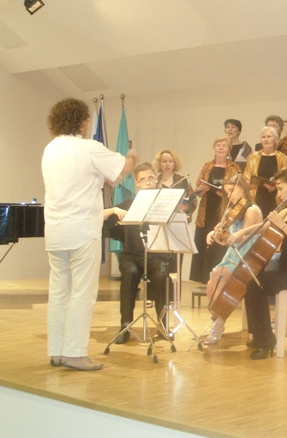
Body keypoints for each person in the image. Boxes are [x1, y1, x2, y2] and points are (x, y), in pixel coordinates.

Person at [42, 97, 138, 371]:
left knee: (59, 292)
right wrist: (133, 156)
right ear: (82, 121)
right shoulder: (87, 148)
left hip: (56, 231)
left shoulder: (50, 149)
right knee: (82, 293)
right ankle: (74, 353)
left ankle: (57, 351)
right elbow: (123, 168)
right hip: (82, 230)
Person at [241, 167, 287, 359]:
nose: (279, 193)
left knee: (257, 286)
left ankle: (267, 341)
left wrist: (282, 225)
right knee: (251, 283)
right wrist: (239, 234)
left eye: (281, 188)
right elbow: (263, 226)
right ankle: (259, 337)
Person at [103, 163, 172, 344]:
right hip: (131, 255)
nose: (148, 182)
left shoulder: (164, 205)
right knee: (130, 273)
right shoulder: (127, 205)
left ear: (156, 179)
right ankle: (125, 326)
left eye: (151, 178)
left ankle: (163, 324)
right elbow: (106, 226)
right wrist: (115, 215)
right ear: (137, 183)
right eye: (143, 179)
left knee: (161, 273)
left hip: (156, 254)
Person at [200, 175, 263, 345]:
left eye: (231, 190)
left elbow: (242, 239)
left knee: (218, 275)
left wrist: (227, 235)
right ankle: (218, 320)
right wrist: (214, 234)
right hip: (233, 254)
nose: (229, 195)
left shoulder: (252, 210)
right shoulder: (232, 211)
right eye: (227, 192)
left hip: (247, 256)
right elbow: (225, 241)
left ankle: (218, 324)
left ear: (242, 188)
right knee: (211, 282)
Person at [189, 137, 241, 284]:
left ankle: (219, 278)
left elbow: (238, 189)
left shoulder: (234, 167)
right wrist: (201, 189)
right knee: (205, 243)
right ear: (214, 148)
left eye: (224, 145)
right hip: (207, 209)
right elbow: (198, 189)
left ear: (229, 149)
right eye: (218, 145)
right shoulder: (207, 166)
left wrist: (224, 193)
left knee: (219, 244)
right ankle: (204, 279)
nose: (221, 148)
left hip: (224, 208)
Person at [243, 126, 287, 216]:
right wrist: (263, 185)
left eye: (269, 136)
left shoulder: (283, 158)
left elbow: (285, 180)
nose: (266, 139)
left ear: (275, 140)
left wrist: (275, 186)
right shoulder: (253, 157)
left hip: (276, 198)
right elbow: (246, 181)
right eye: (263, 137)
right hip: (256, 198)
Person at [153, 149, 196, 220]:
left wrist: (186, 208)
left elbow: (193, 200)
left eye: (170, 161)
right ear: (159, 164)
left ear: (175, 163)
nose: (168, 164)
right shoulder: (155, 182)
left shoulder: (183, 181)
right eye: (164, 161)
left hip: (179, 219)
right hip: (160, 219)